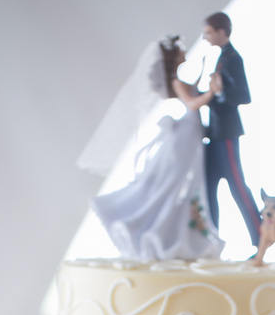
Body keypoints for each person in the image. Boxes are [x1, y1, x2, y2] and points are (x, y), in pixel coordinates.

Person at [89, 38, 224, 261]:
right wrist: (211, 92)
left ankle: (175, 231)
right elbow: (193, 103)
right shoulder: (177, 82)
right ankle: (148, 228)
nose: (185, 52)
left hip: (191, 135)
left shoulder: (181, 80)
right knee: (173, 184)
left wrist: (205, 66)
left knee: (185, 184)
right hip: (185, 136)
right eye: (181, 50)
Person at [202, 11, 262, 249]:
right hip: (215, 134)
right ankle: (211, 242)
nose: (205, 37)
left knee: (237, 185)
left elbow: (242, 96)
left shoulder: (233, 58)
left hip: (226, 134)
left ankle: (260, 239)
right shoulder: (221, 57)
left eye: (208, 32)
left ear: (220, 31)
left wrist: (218, 93)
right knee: (208, 188)